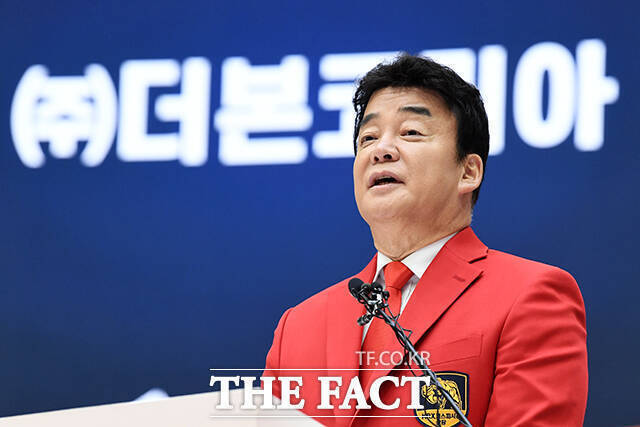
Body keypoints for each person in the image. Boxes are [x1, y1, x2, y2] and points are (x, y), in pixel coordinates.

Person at [263, 54, 588, 426]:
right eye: (368, 138)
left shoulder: (530, 296)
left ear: (468, 172)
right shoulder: (298, 327)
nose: (381, 150)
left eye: (411, 132)